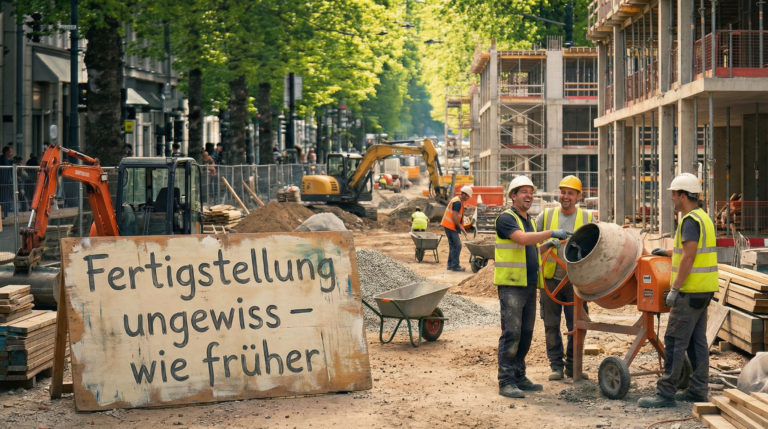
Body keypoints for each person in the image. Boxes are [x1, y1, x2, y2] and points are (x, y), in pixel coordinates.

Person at [638, 173, 718, 408]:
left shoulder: (689, 220)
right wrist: (670, 254)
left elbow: (691, 256)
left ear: (683, 195)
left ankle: (665, 393)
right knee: (696, 343)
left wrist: (674, 288)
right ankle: (698, 390)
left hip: (689, 292)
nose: (671, 199)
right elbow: (689, 252)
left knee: (674, 341)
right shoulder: (704, 218)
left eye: (673, 194)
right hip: (704, 291)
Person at [494, 175, 571, 399]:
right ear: (513, 196)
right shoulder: (506, 219)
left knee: (525, 334)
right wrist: (551, 233)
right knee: (512, 333)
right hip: (511, 285)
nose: (529, 195)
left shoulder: (526, 220)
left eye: (531, 192)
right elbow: (524, 239)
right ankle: (506, 381)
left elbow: (529, 249)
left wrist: (546, 245)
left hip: (528, 284)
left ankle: (519, 376)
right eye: (524, 191)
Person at [536, 175, 594, 381]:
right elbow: (533, 245)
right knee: (551, 324)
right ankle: (556, 366)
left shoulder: (588, 219)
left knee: (577, 324)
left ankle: (573, 366)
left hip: (576, 282)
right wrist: (547, 243)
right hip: (550, 279)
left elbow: (594, 250)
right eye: (563, 192)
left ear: (579, 196)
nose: (565, 196)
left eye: (570, 193)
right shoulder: (546, 216)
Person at [441, 186, 472, 272]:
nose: (468, 198)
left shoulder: (457, 200)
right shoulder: (457, 202)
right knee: (457, 245)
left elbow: (457, 215)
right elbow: (454, 216)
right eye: (468, 196)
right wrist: (460, 227)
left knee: (452, 245)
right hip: (451, 226)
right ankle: (455, 265)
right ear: (464, 194)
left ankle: (450, 264)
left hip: (448, 225)